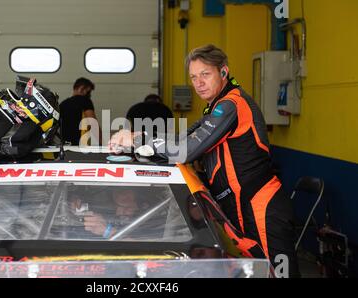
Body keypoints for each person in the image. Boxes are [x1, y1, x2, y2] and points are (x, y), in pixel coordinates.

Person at [109, 44, 300, 277]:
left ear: (223, 72)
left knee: (276, 274)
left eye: (205, 74)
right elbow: (182, 139)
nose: (198, 82)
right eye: (193, 77)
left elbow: (186, 150)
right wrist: (138, 138)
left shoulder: (232, 104)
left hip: (261, 207)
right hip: (239, 208)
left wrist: (139, 140)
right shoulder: (216, 107)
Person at [59, 77, 99, 145]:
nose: (89, 95)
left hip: (64, 146)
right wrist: (102, 143)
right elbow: (93, 123)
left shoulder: (63, 104)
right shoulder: (85, 101)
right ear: (82, 88)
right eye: (88, 92)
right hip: (80, 145)